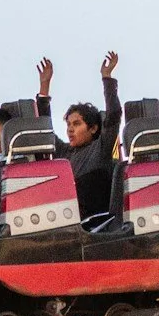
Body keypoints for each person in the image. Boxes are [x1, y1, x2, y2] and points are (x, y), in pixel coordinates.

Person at [54, 51, 122, 220]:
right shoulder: (65, 153)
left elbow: (113, 115)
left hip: (97, 221)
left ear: (92, 128)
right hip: (67, 219)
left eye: (76, 124)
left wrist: (107, 78)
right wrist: (44, 88)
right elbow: (45, 133)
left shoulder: (101, 147)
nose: (70, 129)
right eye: (68, 125)